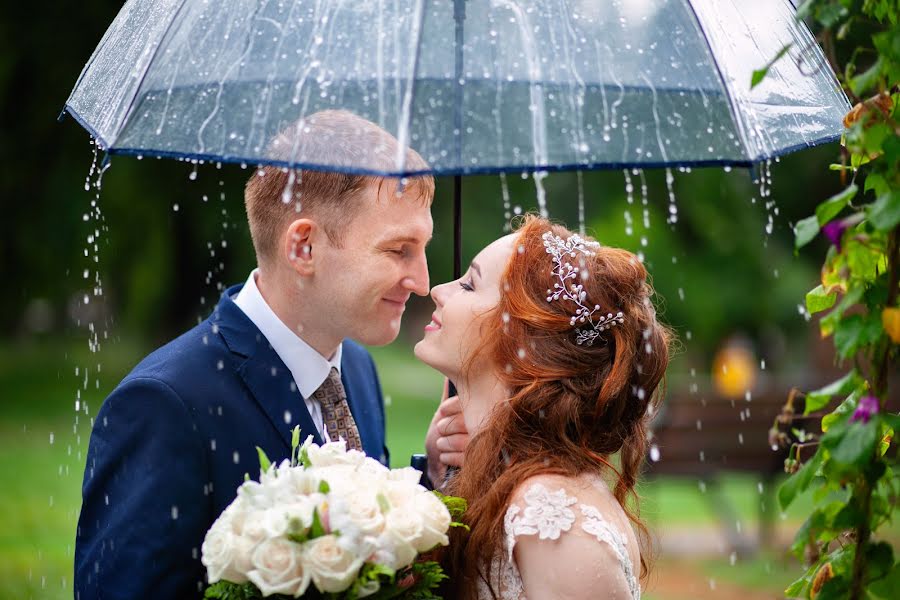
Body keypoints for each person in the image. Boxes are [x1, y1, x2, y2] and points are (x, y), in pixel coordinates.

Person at [74, 110, 467, 599]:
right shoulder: (165, 405)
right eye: (397, 250)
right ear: (303, 247)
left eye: (423, 248)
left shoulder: (356, 369)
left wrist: (427, 477)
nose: (423, 281)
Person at [415, 215, 672, 599]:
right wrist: (439, 475)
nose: (438, 290)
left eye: (469, 284)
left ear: (524, 338)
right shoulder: (492, 478)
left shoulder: (553, 519)